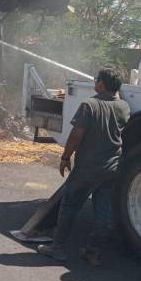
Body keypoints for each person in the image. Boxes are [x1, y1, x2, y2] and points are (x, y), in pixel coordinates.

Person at [35, 67, 130, 265]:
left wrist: (65, 157)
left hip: (88, 168)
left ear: (101, 84)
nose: (95, 82)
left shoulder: (89, 105)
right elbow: (117, 107)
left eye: (97, 80)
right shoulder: (123, 106)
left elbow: (77, 134)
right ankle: (92, 252)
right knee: (103, 212)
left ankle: (58, 248)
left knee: (69, 205)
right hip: (112, 169)